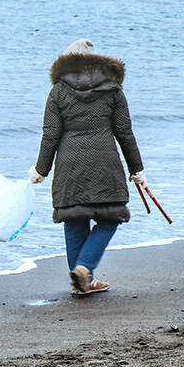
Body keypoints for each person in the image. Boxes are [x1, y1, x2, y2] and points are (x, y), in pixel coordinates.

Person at [28, 39, 145, 295]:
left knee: (74, 217)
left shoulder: (58, 91)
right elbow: (124, 132)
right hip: (104, 161)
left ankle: (82, 279)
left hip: (69, 163)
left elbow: (51, 134)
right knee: (110, 217)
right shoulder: (112, 88)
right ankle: (84, 270)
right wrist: (136, 168)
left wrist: (41, 170)